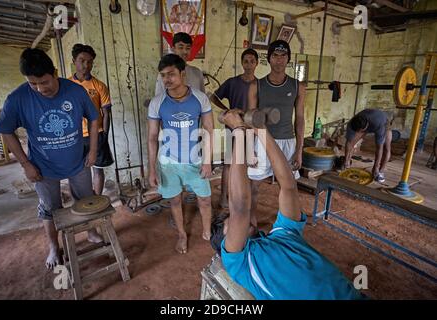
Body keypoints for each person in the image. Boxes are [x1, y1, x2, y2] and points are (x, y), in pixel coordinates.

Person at [211, 109, 365, 300]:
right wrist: (240, 131)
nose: (236, 221)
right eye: (230, 221)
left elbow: (289, 187)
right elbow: (240, 208)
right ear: (223, 243)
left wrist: (261, 130)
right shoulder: (239, 262)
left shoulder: (284, 233)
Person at [0, 48, 102, 269]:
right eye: (33, 84)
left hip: (77, 161)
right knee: (50, 207)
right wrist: (25, 164)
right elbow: (5, 131)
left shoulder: (75, 91)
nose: (40, 89)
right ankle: (54, 246)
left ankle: (91, 231)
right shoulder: (18, 98)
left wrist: (92, 151)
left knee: (86, 199)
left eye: (44, 82)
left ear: (54, 72)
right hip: (41, 167)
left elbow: (94, 118)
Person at [147, 54, 214, 254]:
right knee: (175, 200)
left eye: (171, 74)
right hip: (168, 163)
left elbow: (209, 130)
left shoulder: (200, 99)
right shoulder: (157, 102)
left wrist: (208, 161)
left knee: (205, 199)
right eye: (163, 75)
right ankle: (182, 235)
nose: (166, 79)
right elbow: (152, 137)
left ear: (182, 74)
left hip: (195, 160)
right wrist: (151, 169)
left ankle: (208, 231)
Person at [247, 40, 306, 230]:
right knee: (254, 185)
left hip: (287, 142)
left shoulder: (298, 86)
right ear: (268, 59)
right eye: (275, 56)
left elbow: (300, 119)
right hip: (262, 141)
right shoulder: (257, 85)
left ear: (288, 59)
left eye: (283, 56)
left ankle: (285, 226)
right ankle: (251, 224)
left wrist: (299, 150)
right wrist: (249, 149)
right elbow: (250, 118)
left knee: (287, 187)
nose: (279, 60)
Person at [210, 48, 259, 208]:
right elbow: (213, 97)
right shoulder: (232, 82)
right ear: (242, 63)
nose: (249, 64)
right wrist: (228, 110)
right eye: (246, 61)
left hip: (252, 129)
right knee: (229, 164)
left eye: (252, 61)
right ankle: (224, 199)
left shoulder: (260, 85)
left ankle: (246, 200)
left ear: (257, 63)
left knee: (250, 164)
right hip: (233, 128)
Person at [69, 43, 114, 195]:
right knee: (77, 171)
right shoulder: (66, 85)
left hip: (97, 133)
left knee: (98, 170)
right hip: (75, 136)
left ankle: (97, 199)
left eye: (89, 62)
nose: (86, 65)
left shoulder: (99, 86)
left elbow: (106, 113)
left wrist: (105, 136)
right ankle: (82, 200)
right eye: (82, 60)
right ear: (74, 61)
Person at [344, 109, 393, 183]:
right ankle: (347, 163)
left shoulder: (379, 124)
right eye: (358, 131)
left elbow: (379, 148)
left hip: (383, 122)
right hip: (368, 121)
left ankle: (380, 172)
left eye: (360, 131)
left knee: (386, 148)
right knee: (352, 141)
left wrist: (375, 166)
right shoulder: (351, 124)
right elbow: (349, 142)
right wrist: (346, 160)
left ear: (366, 127)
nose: (359, 133)